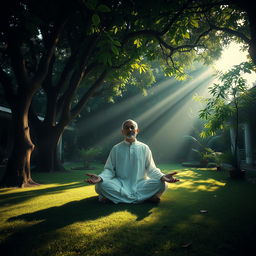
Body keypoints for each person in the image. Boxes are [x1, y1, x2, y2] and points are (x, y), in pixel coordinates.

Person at [85, 119, 179, 204]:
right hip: (120, 184)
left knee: (163, 184)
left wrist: (163, 176)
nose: (129, 130)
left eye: (132, 127)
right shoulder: (116, 148)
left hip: (140, 184)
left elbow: (151, 169)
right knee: (100, 186)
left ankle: (113, 198)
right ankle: (147, 198)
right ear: (122, 132)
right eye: (126, 128)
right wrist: (100, 178)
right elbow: (109, 170)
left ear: (137, 131)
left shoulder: (144, 148)